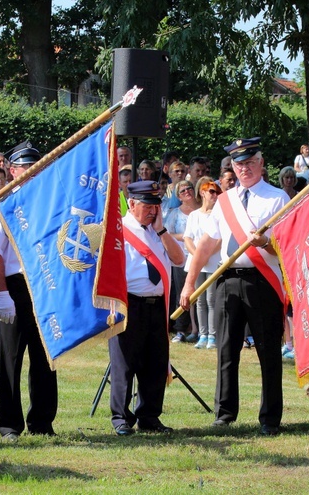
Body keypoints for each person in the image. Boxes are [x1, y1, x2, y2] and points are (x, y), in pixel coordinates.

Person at [180, 137, 289, 436]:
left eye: (250, 163)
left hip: (262, 280)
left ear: (261, 164)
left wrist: (265, 241)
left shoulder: (278, 198)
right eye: (239, 164)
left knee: (268, 351)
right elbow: (207, 243)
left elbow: (288, 246)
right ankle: (224, 413)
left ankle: (270, 418)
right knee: (226, 350)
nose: (245, 169)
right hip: (227, 279)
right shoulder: (224, 200)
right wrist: (189, 284)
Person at [0, 141, 58, 441]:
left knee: (45, 357)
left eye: (35, 166)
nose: (30, 171)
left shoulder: (50, 204)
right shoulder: (2, 205)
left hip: (44, 284)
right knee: (10, 358)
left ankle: (42, 421)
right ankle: (9, 425)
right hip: (14, 285)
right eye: (24, 166)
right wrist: (1, 294)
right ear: (12, 171)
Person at [111, 180, 185, 436]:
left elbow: (179, 259)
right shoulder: (118, 231)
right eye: (148, 205)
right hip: (130, 303)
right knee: (124, 363)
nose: (153, 211)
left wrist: (162, 230)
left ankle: (149, 415)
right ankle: (121, 417)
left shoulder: (158, 232)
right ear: (132, 204)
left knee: (155, 362)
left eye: (156, 205)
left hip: (156, 306)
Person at [183, 177, 221, 349]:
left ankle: (212, 335)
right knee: (199, 300)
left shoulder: (218, 215)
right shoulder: (194, 215)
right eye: (211, 191)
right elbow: (187, 237)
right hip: (196, 261)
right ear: (202, 192)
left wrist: (206, 254)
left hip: (213, 260)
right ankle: (203, 334)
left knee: (212, 299)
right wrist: (198, 254)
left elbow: (219, 239)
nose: (215, 195)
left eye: (217, 191)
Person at [166, 180, 199, 343]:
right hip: (182, 258)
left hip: (202, 257)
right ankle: (180, 328)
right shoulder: (175, 213)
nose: (187, 192)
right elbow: (167, 234)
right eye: (182, 191)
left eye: (189, 188)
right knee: (182, 293)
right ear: (178, 196)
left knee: (203, 295)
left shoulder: (203, 209)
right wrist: (187, 236)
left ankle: (200, 329)